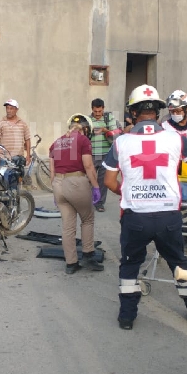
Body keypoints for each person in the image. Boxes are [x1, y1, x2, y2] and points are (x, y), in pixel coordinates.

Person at [103, 84, 187, 330]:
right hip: (168, 217)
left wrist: (127, 191)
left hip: (135, 217)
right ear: (159, 112)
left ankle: (127, 317)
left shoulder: (121, 143)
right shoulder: (176, 138)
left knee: (130, 265)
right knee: (180, 263)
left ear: (132, 113)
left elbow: (109, 181)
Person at [49, 114, 104, 274]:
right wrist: (95, 187)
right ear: (86, 129)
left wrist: (54, 193)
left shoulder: (56, 143)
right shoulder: (83, 140)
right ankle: (88, 255)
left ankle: (71, 263)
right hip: (76, 182)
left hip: (58, 184)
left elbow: (52, 171)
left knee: (68, 226)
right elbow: (88, 166)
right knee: (87, 219)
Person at [88, 98, 122, 212]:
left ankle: (99, 203)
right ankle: (88, 201)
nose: (97, 114)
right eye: (95, 111)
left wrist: (104, 130)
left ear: (103, 109)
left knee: (102, 181)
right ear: (92, 109)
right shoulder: (88, 120)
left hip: (105, 154)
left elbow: (115, 134)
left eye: (99, 111)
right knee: (89, 179)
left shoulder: (109, 118)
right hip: (92, 155)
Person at [0, 99, 31, 168]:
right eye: (7, 108)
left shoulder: (22, 124)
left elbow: (27, 139)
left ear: (16, 110)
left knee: (18, 178)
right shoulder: (1, 123)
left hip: (18, 159)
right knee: (3, 176)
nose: (8, 111)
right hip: (3, 159)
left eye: (11, 108)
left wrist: (28, 155)